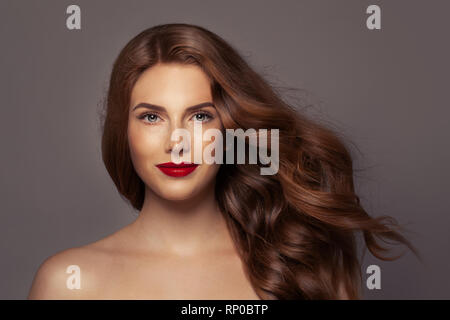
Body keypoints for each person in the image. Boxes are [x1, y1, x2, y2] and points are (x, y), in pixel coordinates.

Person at [28, 23, 421, 300]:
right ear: (123, 133)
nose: (176, 142)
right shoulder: (69, 282)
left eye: (200, 116)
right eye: (151, 117)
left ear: (231, 131)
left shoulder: (304, 265)